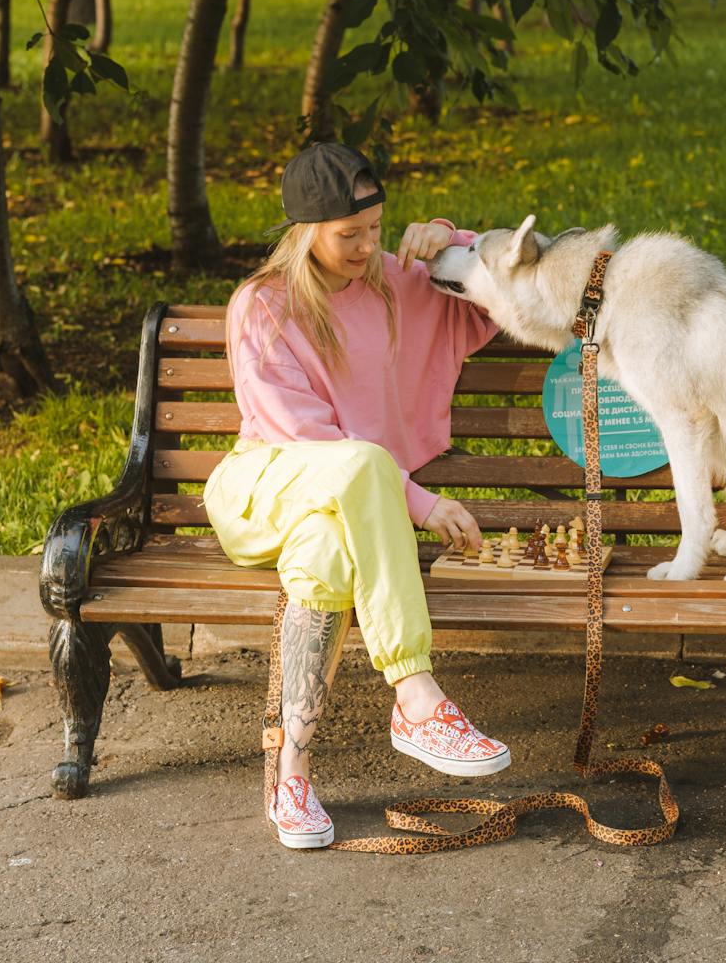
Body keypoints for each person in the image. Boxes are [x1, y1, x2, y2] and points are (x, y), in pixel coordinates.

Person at [204, 141, 510, 849]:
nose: (368, 246)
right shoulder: (262, 305)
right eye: (351, 234)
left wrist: (451, 244)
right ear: (305, 231)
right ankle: (414, 694)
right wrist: (424, 506)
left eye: (377, 228)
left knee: (329, 562)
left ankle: (291, 777)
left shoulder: (394, 282)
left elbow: (495, 301)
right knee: (362, 463)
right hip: (264, 488)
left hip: (351, 508)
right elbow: (311, 443)